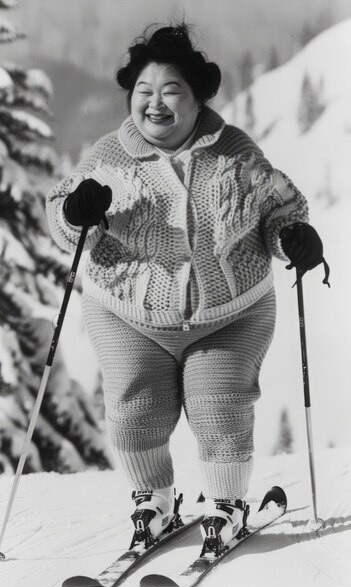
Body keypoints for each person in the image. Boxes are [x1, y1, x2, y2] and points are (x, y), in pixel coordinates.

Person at [46, 23, 329, 554]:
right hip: (128, 309)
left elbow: (279, 210)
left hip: (230, 311)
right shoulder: (109, 155)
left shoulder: (236, 154)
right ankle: (151, 504)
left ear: (198, 99)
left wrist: (294, 236)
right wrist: (74, 210)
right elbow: (65, 221)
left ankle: (226, 507)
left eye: (171, 91)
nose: (155, 104)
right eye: (143, 92)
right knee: (135, 404)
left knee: (220, 403)